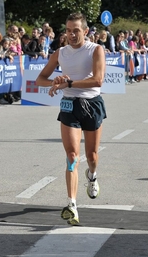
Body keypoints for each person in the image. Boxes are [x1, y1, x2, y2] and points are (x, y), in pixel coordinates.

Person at [36, 12, 106, 225]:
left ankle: (92, 176)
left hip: (91, 104)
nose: (72, 35)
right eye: (68, 30)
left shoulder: (95, 50)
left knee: (91, 155)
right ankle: (72, 204)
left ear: (85, 31)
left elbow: (98, 80)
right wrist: (55, 83)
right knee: (72, 155)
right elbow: (40, 79)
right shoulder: (60, 53)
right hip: (69, 106)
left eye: (76, 30)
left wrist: (69, 83)